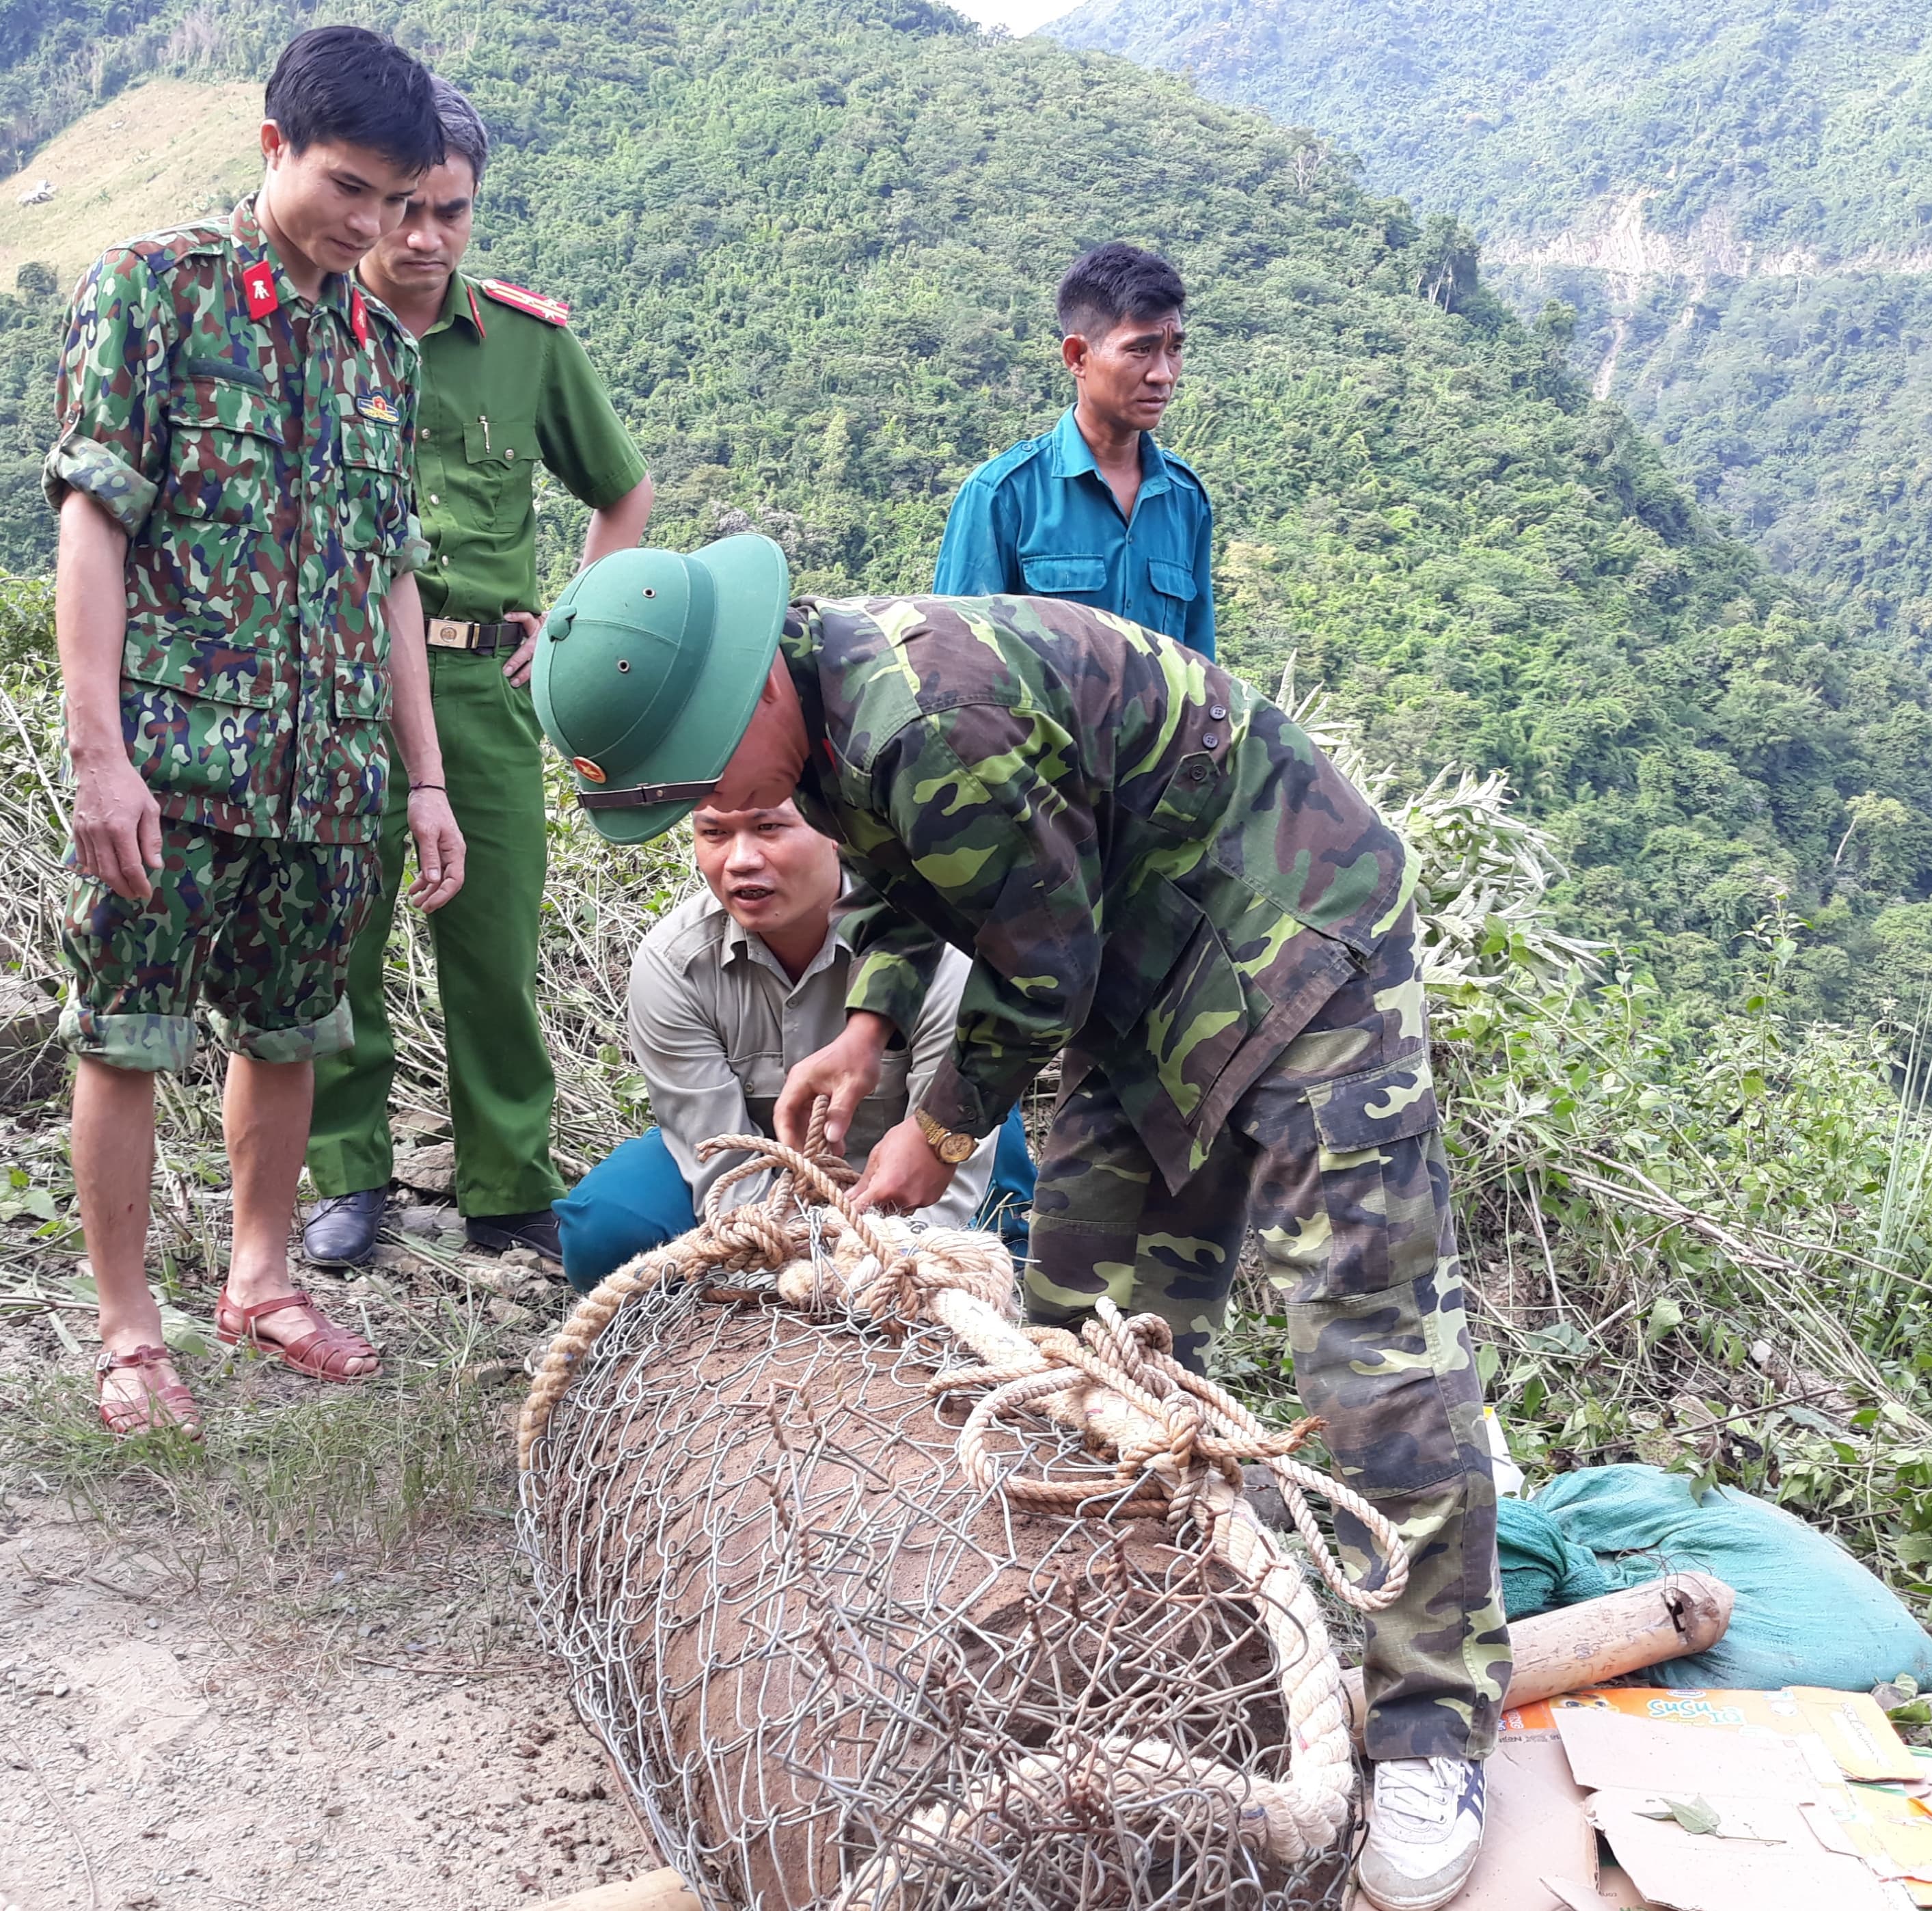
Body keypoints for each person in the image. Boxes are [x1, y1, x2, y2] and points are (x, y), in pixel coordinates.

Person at [528, 538, 1508, 1911]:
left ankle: (1431, 1722)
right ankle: (1134, 1639)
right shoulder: (820, 716)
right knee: (1076, 1330)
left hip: (1291, 932)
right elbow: (913, 880)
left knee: (1365, 1328)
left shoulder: (926, 713)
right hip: (1133, 963)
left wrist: (931, 1135)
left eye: (700, 782)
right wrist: (866, 1027)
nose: (715, 825)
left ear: (747, 690)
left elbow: (1034, 960)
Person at [48, 27, 464, 1438]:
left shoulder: (380, 350)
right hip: (172, 757)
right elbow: (94, 520)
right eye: (350, 188)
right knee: (123, 1035)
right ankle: (123, 1334)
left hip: (327, 770)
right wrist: (99, 751)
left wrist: (423, 778)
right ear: (273, 146)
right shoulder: (155, 293)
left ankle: (261, 1283)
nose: (373, 226)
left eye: (400, 202)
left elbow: (392, 573)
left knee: (290, 1031)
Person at [301, 79, 653, 1268]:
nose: (421, 239)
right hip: (342, 683)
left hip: (481, 690)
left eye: (448, 212)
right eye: (402, 208)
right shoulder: (314, 327)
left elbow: (622, 489)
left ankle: (507, 1181)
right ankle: (348, 1178)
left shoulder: (527, 346)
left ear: (472, 207)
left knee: (491, 942)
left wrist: (565, 622)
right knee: (336, 937)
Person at [551, 798, 1036, 1292]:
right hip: (760, 1167)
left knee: (981, 1236)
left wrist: (884, 1268)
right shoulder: (673, 964)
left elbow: (945, 1182)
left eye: (768, 827)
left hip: (926, 1150)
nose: (740, 859)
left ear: (835, 832)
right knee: (604, 1233)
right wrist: (798, 1263)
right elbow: (718, 1157)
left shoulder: (931, 944)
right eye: (714, 834)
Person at [933, 243, 1214, 658]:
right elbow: (956, 660)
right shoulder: (1004, 494)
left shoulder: (1185, 499)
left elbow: (1200, 668)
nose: (1163, 374)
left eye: (1174, 350)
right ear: (1078, 356)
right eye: (1140, 349)